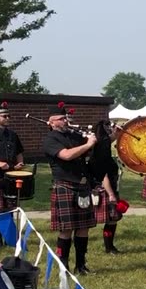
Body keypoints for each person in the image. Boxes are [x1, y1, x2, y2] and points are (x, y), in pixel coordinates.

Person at [41, 105, 97, 274]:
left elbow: (90, 150)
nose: (65, 121)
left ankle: (81, 265)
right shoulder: (50, 139)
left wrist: (96, 139)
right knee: (66, 229)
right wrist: (88, 144)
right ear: (51, 122)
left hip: (82, 186)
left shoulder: (73, 136)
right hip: (65, 185)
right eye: (61, 118)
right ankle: (63, 267)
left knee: (83, 227)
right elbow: (66, 155)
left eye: (66, 118)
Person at [88, 120, 124, 256]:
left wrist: (116, 133)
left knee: (112, 220)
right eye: (108, 126)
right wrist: (111, 194)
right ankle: (109, 247)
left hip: (108, 185)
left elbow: (109, 139)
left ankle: (110, 246)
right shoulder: (101, 147)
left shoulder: (102, 142)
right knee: (112, 219)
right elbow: (104, 175)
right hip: (105, 187)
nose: (111, 128)